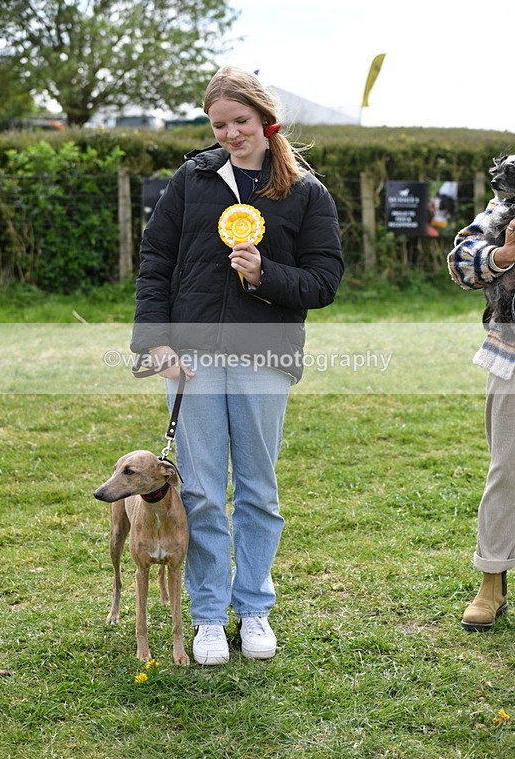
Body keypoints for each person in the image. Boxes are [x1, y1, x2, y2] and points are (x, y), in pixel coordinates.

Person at [130, 66, 343, 664]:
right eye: (218, 124)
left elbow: (324, 280)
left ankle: (252, 609)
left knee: (257, 490)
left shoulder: (306, 193)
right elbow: (155, 260)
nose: (229, 134)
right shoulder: (192, 180)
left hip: (265, 357)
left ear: (266, 119)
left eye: (239, 121)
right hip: (191, 357)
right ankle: (205, 615)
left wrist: (264, 275)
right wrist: (157, 342)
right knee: (198, 491)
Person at [447, 199, 515, 631]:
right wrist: (502, 256)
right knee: (507, 470)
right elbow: (461, 261)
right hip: (512, 353)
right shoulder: (508, 199)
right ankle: (492, 581)